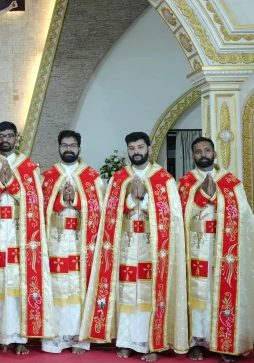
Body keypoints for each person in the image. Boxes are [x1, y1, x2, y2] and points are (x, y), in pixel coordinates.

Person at [80, 132, 188, 361]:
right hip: (127, 247)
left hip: (153, 248)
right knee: (127, 294)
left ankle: (152, 344)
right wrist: (130, 199)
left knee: (150, 293)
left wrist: (145, 200)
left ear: (149, 149)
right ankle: (127, 341)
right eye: (131, 148)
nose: (136, 152)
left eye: (140, 147)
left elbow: (172, 217)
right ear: (128, 151)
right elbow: (110, 214)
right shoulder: (119, 178)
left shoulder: (163, 179)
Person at [0, 121, 54, 354]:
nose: (5, 139)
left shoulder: (30, 167)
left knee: (18, 286)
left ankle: (20, 338)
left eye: (10, 135)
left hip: (20, 239)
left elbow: (35, 203)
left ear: (17, 139)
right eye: (1, 136)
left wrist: (14, 186)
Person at [178, 137, 254, 362]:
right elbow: (180, 216)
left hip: (224, 248)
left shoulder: (232, 182)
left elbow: (243, 215)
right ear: (192, 156)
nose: (203, 154)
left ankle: (224, 342)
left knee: (221, 292)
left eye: (206, 150)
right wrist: (202, 197)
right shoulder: (185, 182)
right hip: (195, 247)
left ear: (214, 153)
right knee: (196, 295)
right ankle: (196, 342)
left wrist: (218, 201)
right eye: (198, 151)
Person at [40, 130, 105, 354]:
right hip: (55, 243)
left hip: (80, 244)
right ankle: (54, 337)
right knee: (57, 288)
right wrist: (59, 201)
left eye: (73, 145)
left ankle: (79, 338)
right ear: (58, 147)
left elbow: (99, 209)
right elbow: (38, 210)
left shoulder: (91, 176)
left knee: (79, 288)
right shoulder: (47, 176)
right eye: (65, 145)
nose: (69, 149)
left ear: (79, 148)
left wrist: (75, 200)